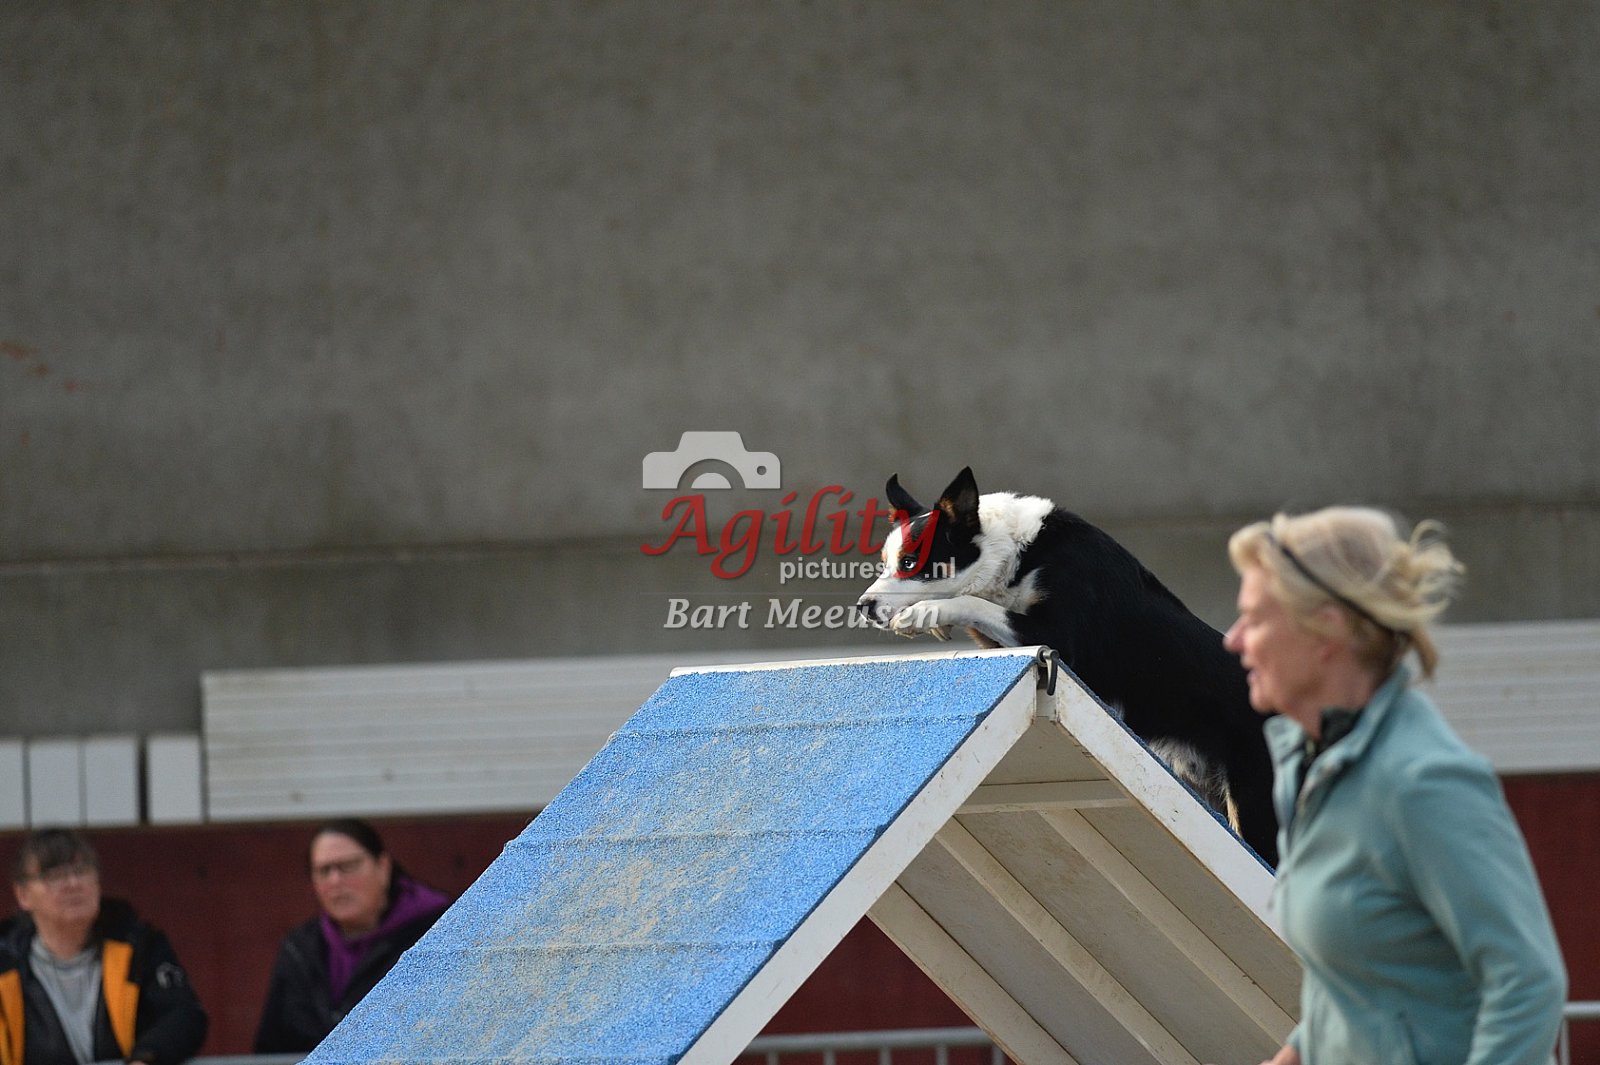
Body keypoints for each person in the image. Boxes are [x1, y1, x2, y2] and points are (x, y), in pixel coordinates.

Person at [1222, 506, 1566, 1065]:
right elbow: (1356, 983)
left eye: (1255, 619)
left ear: (1326, 630)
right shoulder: (1312, 766)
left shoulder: (1424, 781)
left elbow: (1529, 985)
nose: (1233, 640)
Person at [0, 829, 207, 1065]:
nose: (73, 884)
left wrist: (146, 1058)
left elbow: (184, 1014)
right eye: (54, 876)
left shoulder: (139, 945)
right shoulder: (5, 962)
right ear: (23, 895)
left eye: (82, 871)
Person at [253, 819, 451, 1054]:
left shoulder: (437, 935)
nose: (335, 881)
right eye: (324, 871)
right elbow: (271, 1048)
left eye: (348, 866)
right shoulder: (299, 949)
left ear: (383, 867)